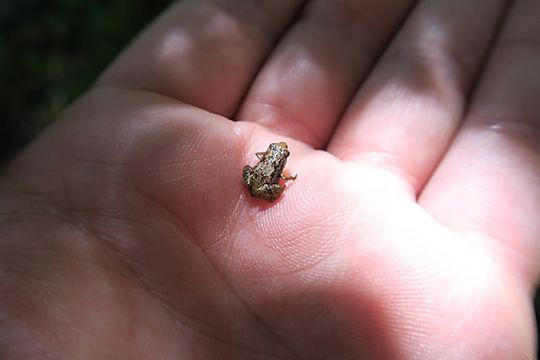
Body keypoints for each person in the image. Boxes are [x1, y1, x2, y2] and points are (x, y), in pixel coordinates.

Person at [1, 0, 538, 358]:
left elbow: (260, 175)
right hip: (257, 191)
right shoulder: (275, 171)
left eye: (277, 158)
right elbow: (265, 178)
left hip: (254, 189)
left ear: (274, 161)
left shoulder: (269, 166)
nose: (277, 156)